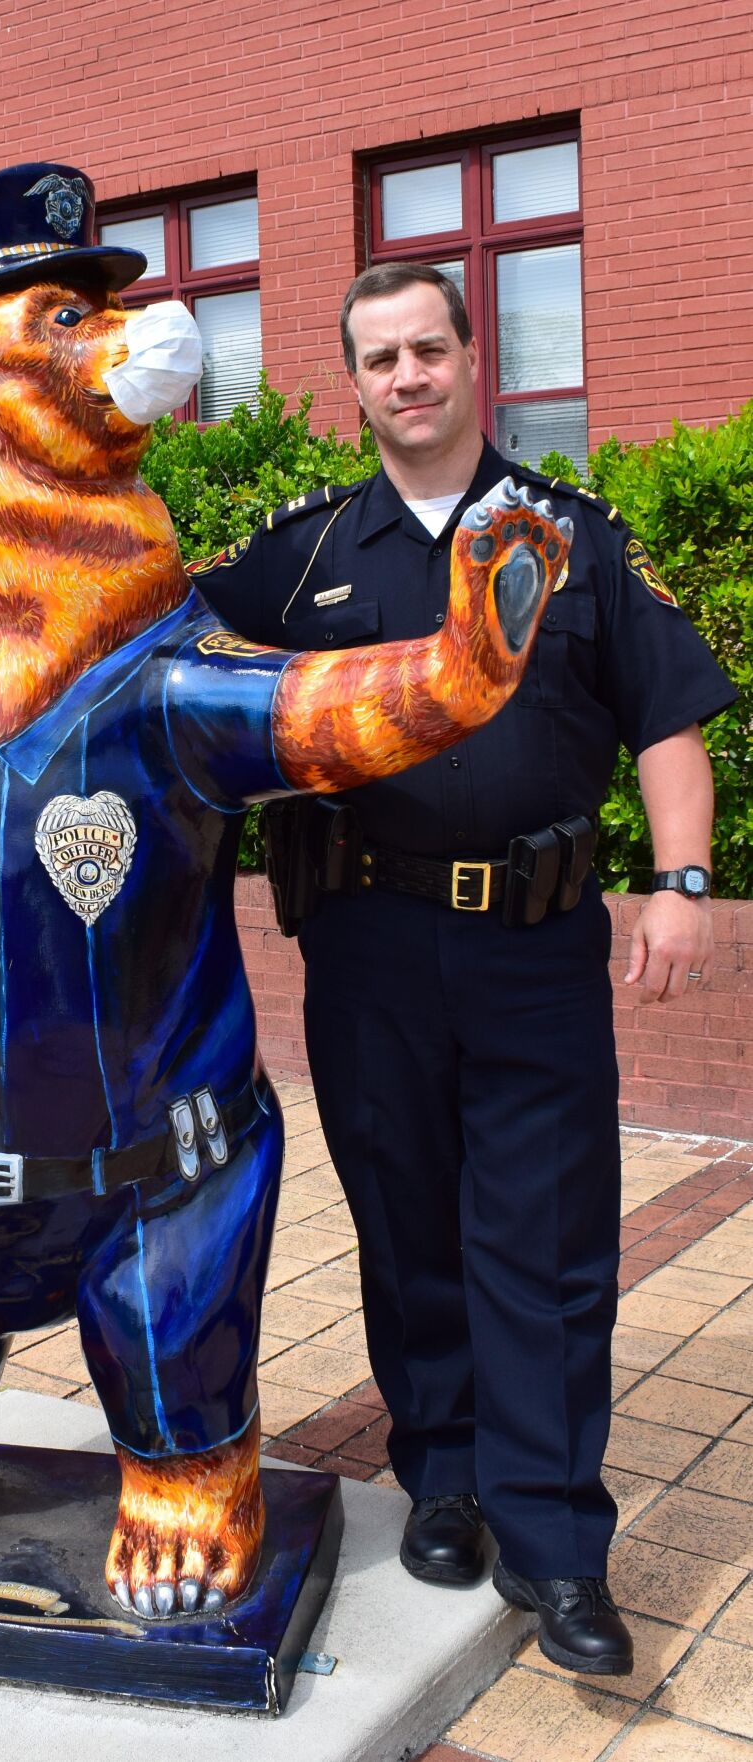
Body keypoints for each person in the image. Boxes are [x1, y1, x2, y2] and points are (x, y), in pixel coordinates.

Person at [194, 262, 736, 1676]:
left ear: (470, 359)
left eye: (429, 349)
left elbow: (671, 722)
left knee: (547, 1244)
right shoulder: (298, 560)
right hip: (368, 948)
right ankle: (443, 1474)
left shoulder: (573, 542)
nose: (408, 377)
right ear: (356, 379)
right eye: (380, 358)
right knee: (410, 1223)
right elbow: (165, 674)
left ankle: (558, 1547)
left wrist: (682, 885)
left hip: (536, 951)